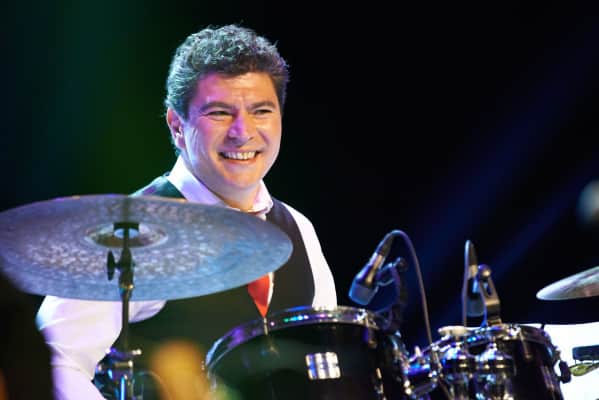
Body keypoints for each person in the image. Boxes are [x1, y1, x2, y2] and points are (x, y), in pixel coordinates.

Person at [36, 24, 337, 399]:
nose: (243, 132)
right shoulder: (127, 232)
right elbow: (51, 361)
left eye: (261, 111)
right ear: (177, 126)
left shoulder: (299, 229)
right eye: (220, 113)